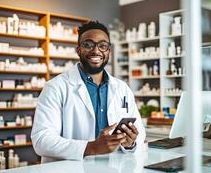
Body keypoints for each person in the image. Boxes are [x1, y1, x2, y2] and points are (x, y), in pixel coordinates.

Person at [31, 21, 146, 163]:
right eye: (88, 45)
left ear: (109, 50)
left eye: (103, 45)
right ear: (78, 50)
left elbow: (140, 133)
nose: (96, 51)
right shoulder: (55, 87)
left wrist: (130, 143)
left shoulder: (122, 88)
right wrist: (91, 148)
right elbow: (42, 140)